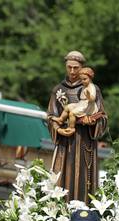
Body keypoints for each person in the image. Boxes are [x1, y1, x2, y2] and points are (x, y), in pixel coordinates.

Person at [47, 50, 108, 203]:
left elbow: (103, 116)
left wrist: (92, 121)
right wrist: (59, 129)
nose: (73, 71)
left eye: (76, 67)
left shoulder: (93, 89)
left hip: (85, 143)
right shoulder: (59, 90)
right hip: (65, 145)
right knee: (62, 180)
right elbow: (50, 116)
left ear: (82, 67)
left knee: (84, 183)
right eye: (69, 67)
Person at [51, 67, 99, 136]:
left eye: (85, 79)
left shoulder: (91, 87)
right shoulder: (84, 86)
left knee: (72, 113)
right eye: (81, 79)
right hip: (81, 103)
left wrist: (88, 96)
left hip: (87, 106)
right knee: (67, 107)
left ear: (90, 78)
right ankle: (61, 119)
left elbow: (92, 98)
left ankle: (71, 127)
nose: (82, 81)